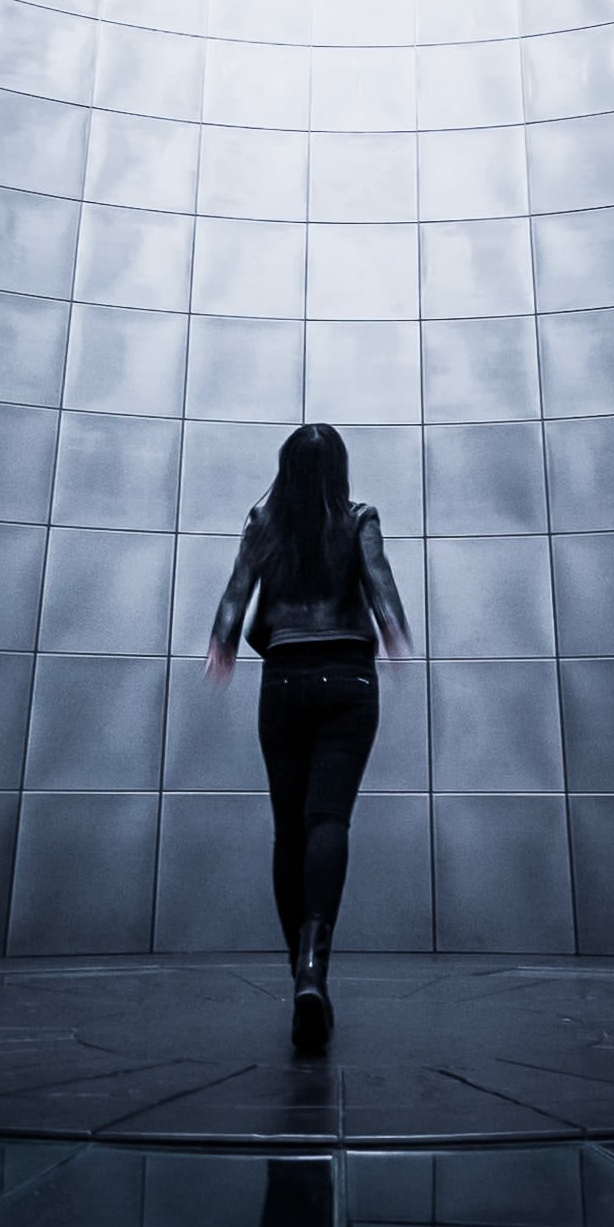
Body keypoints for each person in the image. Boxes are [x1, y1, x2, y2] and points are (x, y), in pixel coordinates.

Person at [205, 422, 410, 1052]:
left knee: (289, 830)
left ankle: (301, 971)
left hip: (285, 682)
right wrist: (397, 636)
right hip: (349, 679)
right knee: (329, 823)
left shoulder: (264, 522)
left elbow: (237, 592)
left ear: (285, 468)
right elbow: (379, 584)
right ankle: (313, 971)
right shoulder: (358, 517)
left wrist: (221, 646)